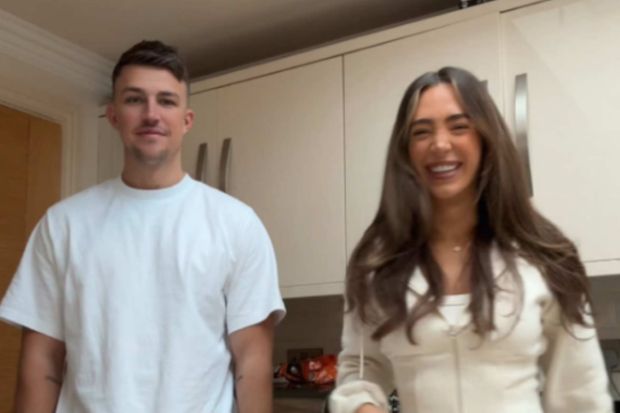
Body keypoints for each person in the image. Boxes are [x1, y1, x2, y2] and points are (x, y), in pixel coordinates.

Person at [0, 40, 285, 413]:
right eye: (135, 99)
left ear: (187, 120)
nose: (151, 114)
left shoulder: (237, 224)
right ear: (114, 115)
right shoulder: (63, 225)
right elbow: (42, 366)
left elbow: (253, 365)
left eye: (166, 101)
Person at [329, 67, 612, 413]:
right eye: (421, 132)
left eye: (459, 126)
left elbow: (580, 394)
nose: (440, 144)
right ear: (405, 152)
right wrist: (363, 406)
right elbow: (361, 371)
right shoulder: (378, 262)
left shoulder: (544, 256)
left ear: (485, 138)